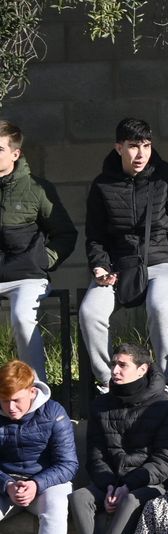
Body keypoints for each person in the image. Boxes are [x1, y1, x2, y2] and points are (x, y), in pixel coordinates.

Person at [55, 343, 168, 534]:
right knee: (79, 497)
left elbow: (166, 461)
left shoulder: (167, 406)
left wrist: (128, 485)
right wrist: (110, 484)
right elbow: (96, 456)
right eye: (114, 364)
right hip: (112, 482)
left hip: (150, 485)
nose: (114, 370)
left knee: (132, 500)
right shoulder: (101, 405)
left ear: (142, 369)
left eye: (122, 365)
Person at [80, 117, 168, 388]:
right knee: (89, 312)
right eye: (133, 146)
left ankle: (166, 382)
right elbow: (95, 236)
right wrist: (100, 267)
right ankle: (109, 383)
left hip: (161, 263)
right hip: (118, 268)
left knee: (159, 307)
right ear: (119, 148)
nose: (141, 153)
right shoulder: (102, 185)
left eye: (146, 145)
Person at [0, 119, 77, 376]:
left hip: (27, 276)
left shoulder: (36, 189)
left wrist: (44, 260)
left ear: (15, 153)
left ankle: (36, 391)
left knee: (22, 319)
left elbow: (65, 233)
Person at [0, 360, 77, 534]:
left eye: (17, 400)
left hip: (43, 485)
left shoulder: (54, 413)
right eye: (4, 400)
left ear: (32, 392)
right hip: (6, 487)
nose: (10, 408)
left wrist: (36, 483)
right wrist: (7, 485)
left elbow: (68, 464)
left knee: (57, 502)